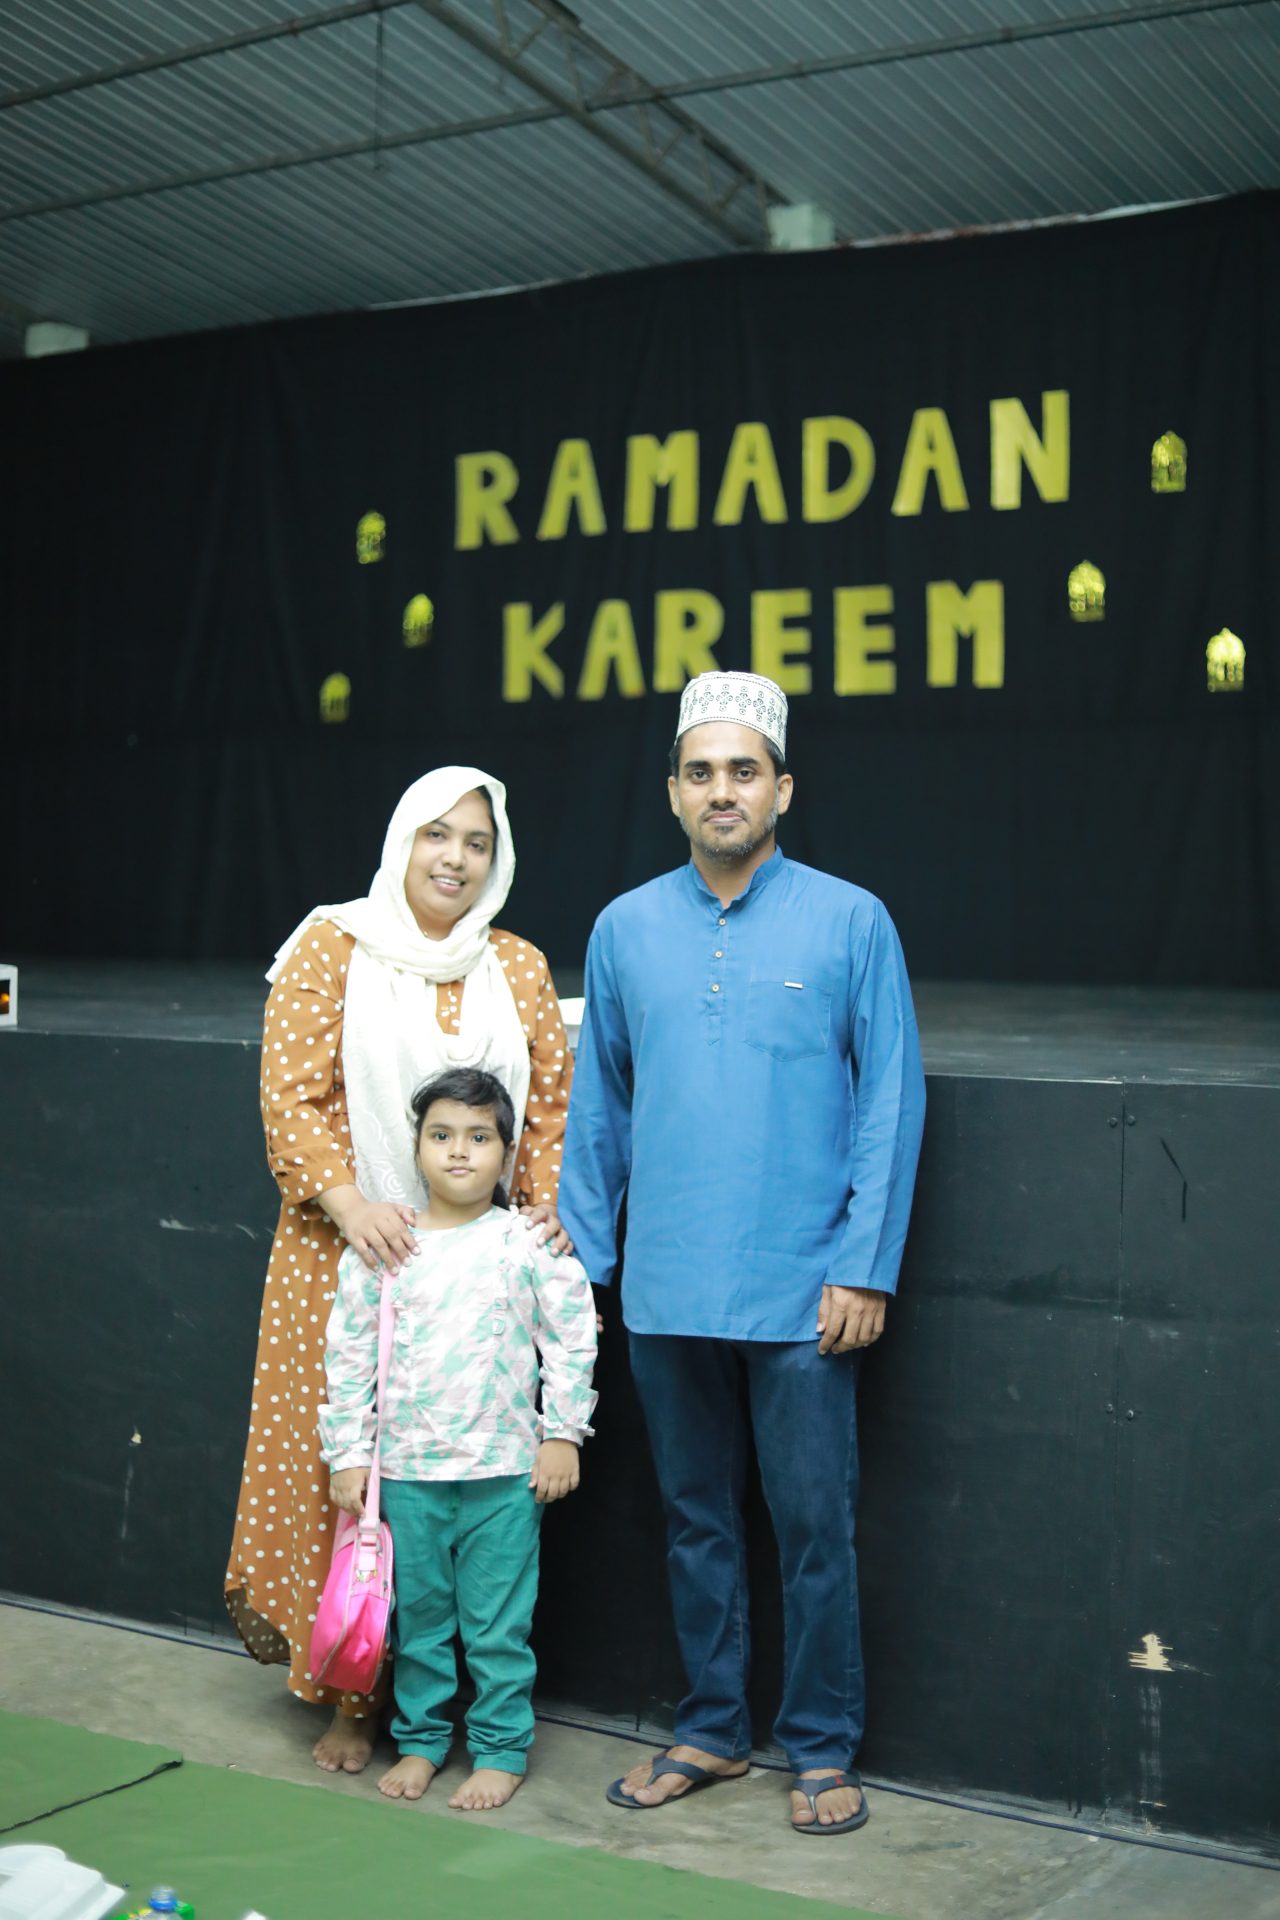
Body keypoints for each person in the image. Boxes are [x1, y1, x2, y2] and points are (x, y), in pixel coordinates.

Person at [558, 670, 925, 1837]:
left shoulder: (849, 919)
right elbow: (598, 1111)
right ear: (672, 793)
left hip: (804, 1287)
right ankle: (714, 1729)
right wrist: (577, 1274)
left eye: (744, 771)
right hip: (665, 1283)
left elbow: (890, 1103)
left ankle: (818, 1746)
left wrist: (863, 1263)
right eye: (701, 772)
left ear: (781, 788)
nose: (723, 791)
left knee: (813, 1527)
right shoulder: (623, 928)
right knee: (694, 1519)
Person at [225, 767, 576, 1776]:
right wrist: (353, 1206)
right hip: (349, 1252)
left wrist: (534, 1220)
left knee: (452, 1496)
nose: (453, 859)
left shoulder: (513, 962)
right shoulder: (332, 944)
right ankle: (349, 1697)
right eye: (435, 835)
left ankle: (456, 1714)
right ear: (399, 842)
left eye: (475, 841)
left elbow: (546, 1110)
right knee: (353, 1485)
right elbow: (291, 1095)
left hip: (474, 1270)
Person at [322, 1066, 597, 1809]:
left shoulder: (527, 1243)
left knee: (498, 1629)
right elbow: (347, 1355)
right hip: (406, 1475)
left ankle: (501, 1750)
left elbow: (571, 1341)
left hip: (504, 1478)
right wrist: (349, 1453)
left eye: (480, 1138)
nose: (459, 1152)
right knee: (420, 1625)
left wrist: (562, 1435)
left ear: (506, 1153)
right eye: (441, 1136)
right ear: (416, 1148)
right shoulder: (385, 1246)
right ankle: (419, 1742)